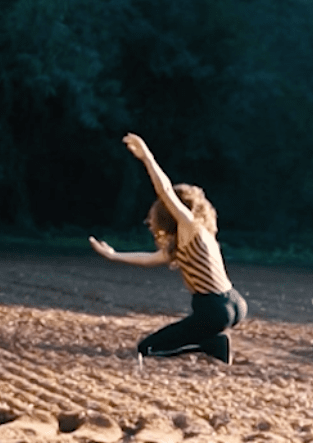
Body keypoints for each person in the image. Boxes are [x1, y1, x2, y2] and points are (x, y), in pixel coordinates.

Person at [90, 133, 246, 366]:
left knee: (147, 349)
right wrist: (112, 255)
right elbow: (149, 259)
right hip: (233, 302)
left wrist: (147, 157)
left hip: (213, 309)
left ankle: (211, 345)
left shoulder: (191, 227)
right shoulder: (197, 238)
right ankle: (215, 342)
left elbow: (165, 191)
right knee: (174, 337)